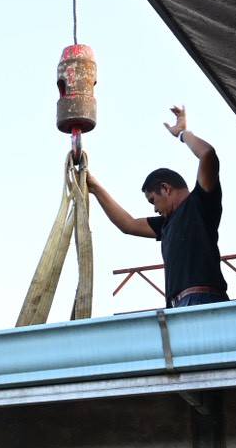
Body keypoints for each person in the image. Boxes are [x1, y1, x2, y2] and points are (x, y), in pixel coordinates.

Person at [88, 105, 228, 307]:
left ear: (165, 188)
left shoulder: (200, 203)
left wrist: (182, 133)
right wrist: (94, 187)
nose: (154, 209)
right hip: (177, 305)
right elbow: (127, 224)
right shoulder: (166, 224)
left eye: (153, 200)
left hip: (202, 299)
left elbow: (208, 154)